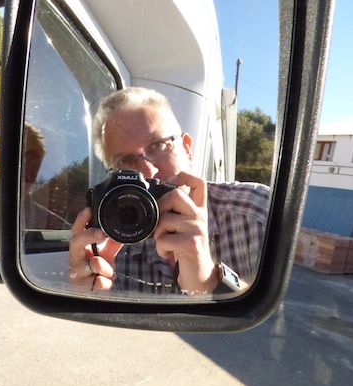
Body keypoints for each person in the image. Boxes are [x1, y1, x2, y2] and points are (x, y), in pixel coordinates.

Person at [68, 87, 270, 295]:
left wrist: (209, 281)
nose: (148, 171)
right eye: (125, 161)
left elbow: (286, 310)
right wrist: (91, 293)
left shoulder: (257, 212)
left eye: (157, 145)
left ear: (187, 149)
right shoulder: (111, 245)